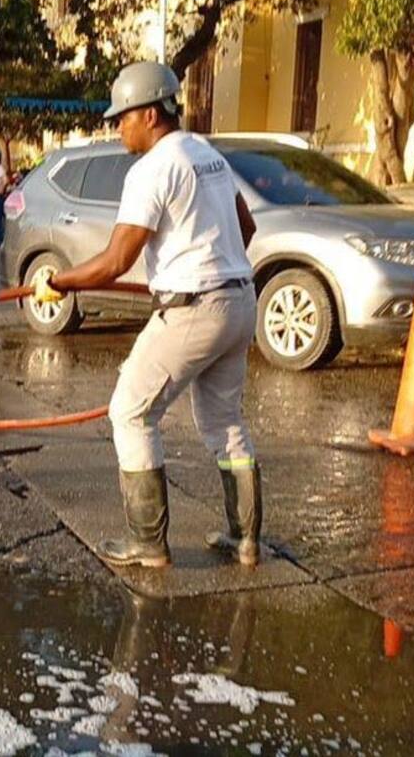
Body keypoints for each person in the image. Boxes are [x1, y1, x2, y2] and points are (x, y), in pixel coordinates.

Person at [32, 61, 261, 569]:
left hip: (193, 310)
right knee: (224, 420)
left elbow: (117, 259)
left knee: (131, 413)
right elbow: (244, 225)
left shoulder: (153, 169)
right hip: (239, 300)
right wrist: (211, 263)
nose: (118, 128)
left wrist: (58, 282)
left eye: (123, 117)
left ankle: (148, 544)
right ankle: (245, 540)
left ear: (152, 114)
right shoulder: (208, 155)